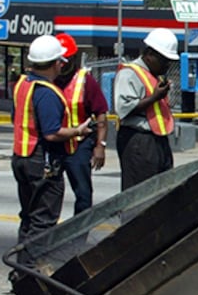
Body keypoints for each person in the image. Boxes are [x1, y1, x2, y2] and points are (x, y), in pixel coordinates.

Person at [11, 34, 93, 253]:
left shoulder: (23, 85)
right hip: (41, 161)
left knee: (29, 217)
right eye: (60, 62)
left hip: (22, 157)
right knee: (43, 221)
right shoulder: (46, 92)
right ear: (56, 63)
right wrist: (78, 131)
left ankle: (21, 270)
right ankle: (32, 271)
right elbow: (52, 133)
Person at [114, 28, 179, 190]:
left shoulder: (155, 75)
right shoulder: (129, 73)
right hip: (138, 140)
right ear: (150, 54)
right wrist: (154, 97)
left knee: (162, 190)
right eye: (164, 60)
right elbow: (123, 108)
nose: (167, 65)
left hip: (158, 140)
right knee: (139, 192)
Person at [53, 32, 109, 214]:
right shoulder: (46, 80)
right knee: (50, 193)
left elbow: (101, 114)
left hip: (79, 146)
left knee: (84, 194)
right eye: (59, 60)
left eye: (66, 60)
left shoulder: (85, 81)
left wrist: (100, 145)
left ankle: (79, 239)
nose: (63, 64)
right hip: (52, 144)